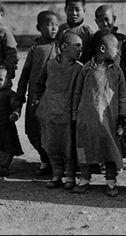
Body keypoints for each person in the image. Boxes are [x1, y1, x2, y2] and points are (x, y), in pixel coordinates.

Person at [71, 33, 126, 197]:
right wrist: (75, 114)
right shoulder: (86, 68)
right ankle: (84, 180)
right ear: (103, 49)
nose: (117, 52)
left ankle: (111, 182)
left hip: (109, 120)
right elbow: (77, 92)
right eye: (115, 48)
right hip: (86, 119)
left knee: (109, 150)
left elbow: (123, 94)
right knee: (83, 149)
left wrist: (124, 115)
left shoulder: (117, 71)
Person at [34, 32, 84, 190]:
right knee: (52, 145)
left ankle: (70, 176)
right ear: (63, 47)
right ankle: (56, 175)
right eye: (77, 46)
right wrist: (37, 99)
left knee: (69, 147)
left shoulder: (79, 69)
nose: (80, 50)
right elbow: (39, 82)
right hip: (49, 114)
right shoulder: (50, 65)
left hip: (68, 116)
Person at [13, 11, 60, 177]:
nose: (53, 28)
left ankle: (56, 163)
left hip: (53, 98)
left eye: (56, 24)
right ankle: (44, 159)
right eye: (49, 24)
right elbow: (25, 75)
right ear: (38, 28)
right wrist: (20, 98)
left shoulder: (60, 47)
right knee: (33, 130)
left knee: (53, 131)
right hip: (35, 98)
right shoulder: (34, 50)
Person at [86, 4, 126, 88]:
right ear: (96, 22)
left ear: (114, 19)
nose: (104, 24)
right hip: (100, 83)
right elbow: (89, 58)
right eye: (100, 21)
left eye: (107, 19)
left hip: (119, 82)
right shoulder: (96, 39)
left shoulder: (122, 40)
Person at [55, 0, 96, 65]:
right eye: (70, 9)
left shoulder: (89, 31)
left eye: (77, 10)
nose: (74, 13)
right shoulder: (60, 29)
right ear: (65, 10)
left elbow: (93, 53)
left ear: (84, 10)